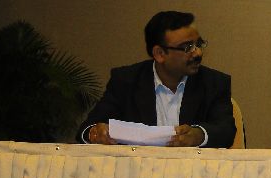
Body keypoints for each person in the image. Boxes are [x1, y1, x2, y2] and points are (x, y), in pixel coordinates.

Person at [77, 11, 237, 148]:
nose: (198, 53)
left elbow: (226, 131)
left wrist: (199, 135)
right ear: (160, 54)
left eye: (199, 44)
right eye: (188, 47)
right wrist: (96, 133)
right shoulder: (126, 81)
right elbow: (87, 128)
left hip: (193, 172)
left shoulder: (214, 83)